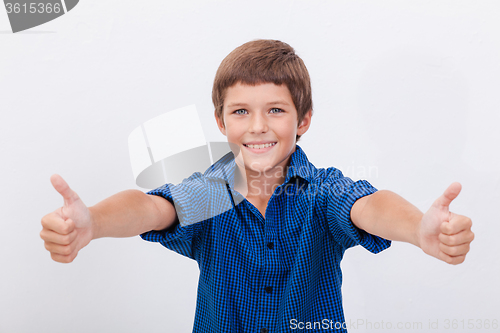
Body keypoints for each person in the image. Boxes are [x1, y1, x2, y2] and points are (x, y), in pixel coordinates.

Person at [40, 39, 474, 333]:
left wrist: (418, 228)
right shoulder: (210, 192)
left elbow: (369, 206)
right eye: (242, 111)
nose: (259, 126)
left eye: (276, 110)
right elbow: (152, 208)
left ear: (303, 120)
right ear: (221, 121)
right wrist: (94, 222)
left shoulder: (321, 192)